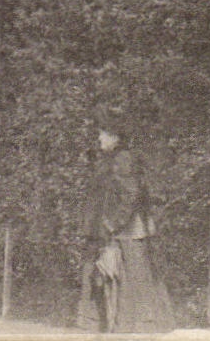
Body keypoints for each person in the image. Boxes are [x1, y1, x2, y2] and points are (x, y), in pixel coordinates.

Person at [80, 119, 174, 332]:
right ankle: (119, 326)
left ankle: (140, 327)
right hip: (118, 231)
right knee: (115, 278)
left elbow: (131, 194)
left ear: (115, 137)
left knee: (132, 279)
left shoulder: (122, 158)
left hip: (127, 233)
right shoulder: (112, 159)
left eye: (103, 134)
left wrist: (113, 224)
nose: (99, 138)